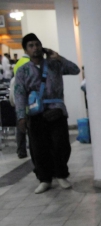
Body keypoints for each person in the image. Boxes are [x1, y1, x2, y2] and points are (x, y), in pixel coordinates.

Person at [14, 33, 80, 194]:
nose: (35, 48)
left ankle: (61, 174)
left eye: (37, 44)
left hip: (56, 110)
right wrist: (21, 116)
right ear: (26, 50)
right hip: (35, 113)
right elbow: (19, 94)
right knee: (38, 148)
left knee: (61, 144)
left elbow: (75, 70)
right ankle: (44, 179)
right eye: (31, 45)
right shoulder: (22, 71)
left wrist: (59, 57)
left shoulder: (54, 65)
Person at [10, 53, 31, 158]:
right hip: (30, 102)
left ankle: (21, 151)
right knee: (32, 129)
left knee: (20, 129)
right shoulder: (30, 63)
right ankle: (34, 150)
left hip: (19, 103)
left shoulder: (18, 64)